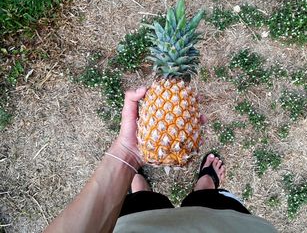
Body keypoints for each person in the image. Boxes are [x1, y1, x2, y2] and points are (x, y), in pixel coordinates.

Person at [45, 87, 277, 233]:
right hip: (228, 227)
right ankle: (205, 188)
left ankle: (141, 189)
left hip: (136, 226)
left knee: (142, 205)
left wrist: (126, 155)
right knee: (211, 204)